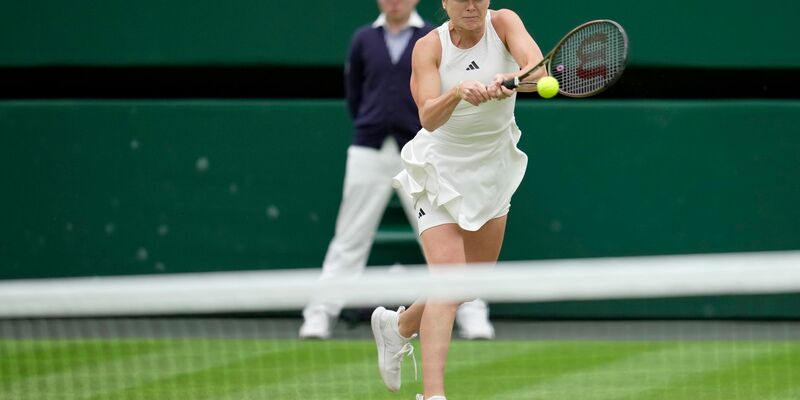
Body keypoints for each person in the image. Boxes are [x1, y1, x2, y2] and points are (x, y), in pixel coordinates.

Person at [369, 1, 546, 398]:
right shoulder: (428, 47)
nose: (472, 5)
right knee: (449, 285)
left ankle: (397, 327)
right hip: (439, 169)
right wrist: (459, 93)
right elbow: (428, 116)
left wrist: (513, 78)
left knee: (467, 286)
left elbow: (539, 72)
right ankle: (433, 395)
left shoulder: (503, 22)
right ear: (444, 2)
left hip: (493, 167)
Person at [299, 0, 496, 341]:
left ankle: (473, 315)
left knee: (449, 235)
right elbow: (355, 96)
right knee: (350, 235)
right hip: (369, 149)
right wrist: (372, 123)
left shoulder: (431, 38)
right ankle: (319, 315)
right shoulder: (363, 39)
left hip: (421, 150)